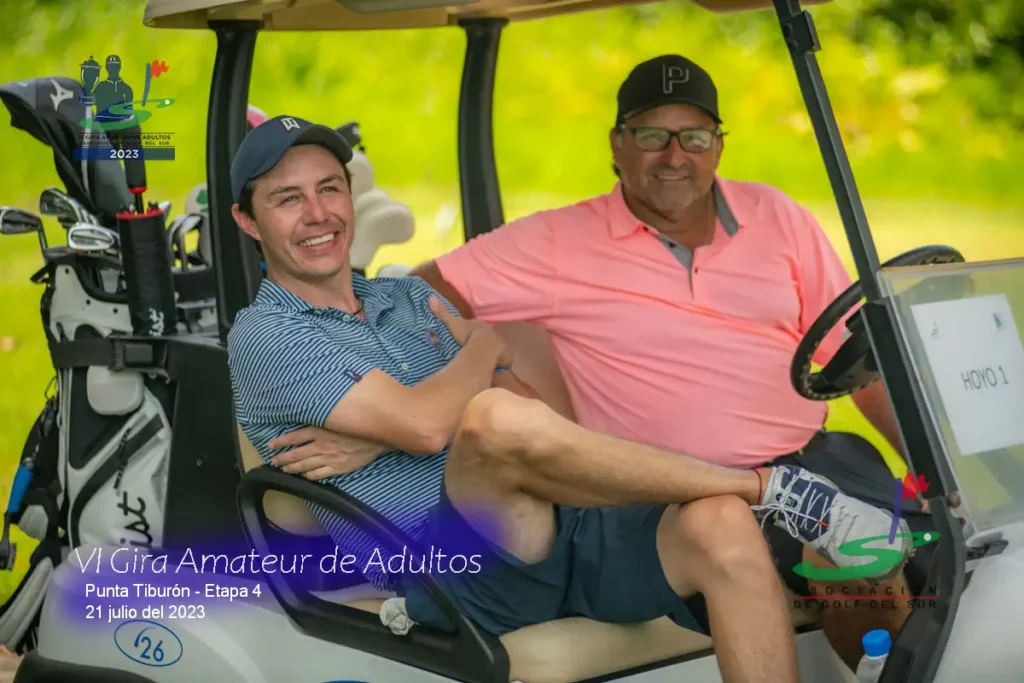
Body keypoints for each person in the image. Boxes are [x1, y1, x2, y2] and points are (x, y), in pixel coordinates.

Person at [223, 113, 911, 683]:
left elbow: (528, 410)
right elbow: (433, 426)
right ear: (248, 221)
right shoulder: (266, 334)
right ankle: (772, 488)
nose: (318, 213)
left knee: (722, 525)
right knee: (490, 417)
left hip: (551, 524)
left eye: (330, 188)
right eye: (288, 199)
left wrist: (395, 428)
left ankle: (752, 496)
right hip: (450, 570)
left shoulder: (402, 297)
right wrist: (482, 349)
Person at [408, 54, 937, 670]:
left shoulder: (776, 215)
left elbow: (856, 359)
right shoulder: (557, 241)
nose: (674, 156)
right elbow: (414, 295)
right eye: (652, 136)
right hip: (684, 493)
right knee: (858, 561)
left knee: (954, 552)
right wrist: (469, 371)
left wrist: (931, 466)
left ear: (718, 146)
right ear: (617, 145)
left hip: (821, 459)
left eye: (694, 137)